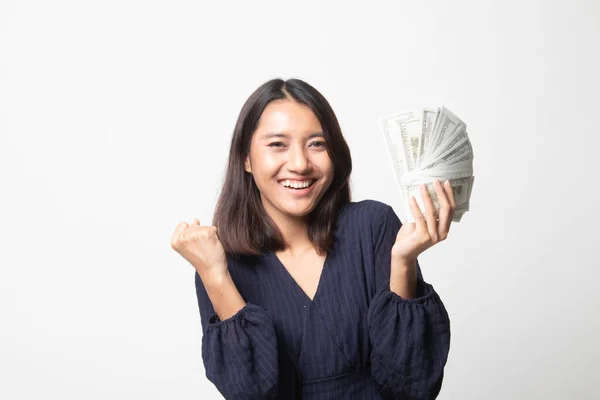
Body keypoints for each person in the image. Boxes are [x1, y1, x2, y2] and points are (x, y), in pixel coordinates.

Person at [170, 78, 454, 399]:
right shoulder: (218, 261)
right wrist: (214, 275)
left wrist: (403, 262)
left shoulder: (373, 226)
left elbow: (411, 385)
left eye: (316, 144)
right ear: (246, 158)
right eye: (277, 144)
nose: (300, 164)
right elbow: (252, 393)